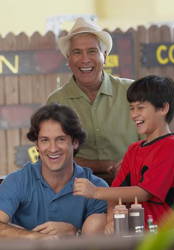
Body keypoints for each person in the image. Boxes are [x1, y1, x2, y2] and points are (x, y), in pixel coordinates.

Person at [73, 75, 174, 233]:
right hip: (134, 228)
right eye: (131, 108)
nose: (133, 114)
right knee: (94, 223)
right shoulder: (134, 149)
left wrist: (95, 191)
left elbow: (144, 193)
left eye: (140, 108)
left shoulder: (173, 146)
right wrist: (111, 219)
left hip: (164, 232)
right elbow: (115, 193)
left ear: (163, 108)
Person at [47, 17, 139, 184]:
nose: (85, 59)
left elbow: (152, 143)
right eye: (77, 52)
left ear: (105, 56)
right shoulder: (56, 102)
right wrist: (107, 166)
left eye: (92, 51)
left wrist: (127, 167)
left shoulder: (131, 92)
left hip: (133, 186)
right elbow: (54, 156)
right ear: (68, 59)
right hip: (78, 192)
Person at [0, 104, 108, 239]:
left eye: (60, 139)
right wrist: (35, 237)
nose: (52, 149)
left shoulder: (96, 188)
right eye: (45, 140)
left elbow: (99, 243)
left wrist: (75, 233)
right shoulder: (17, 181)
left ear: (75, 142)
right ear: (37, 145)